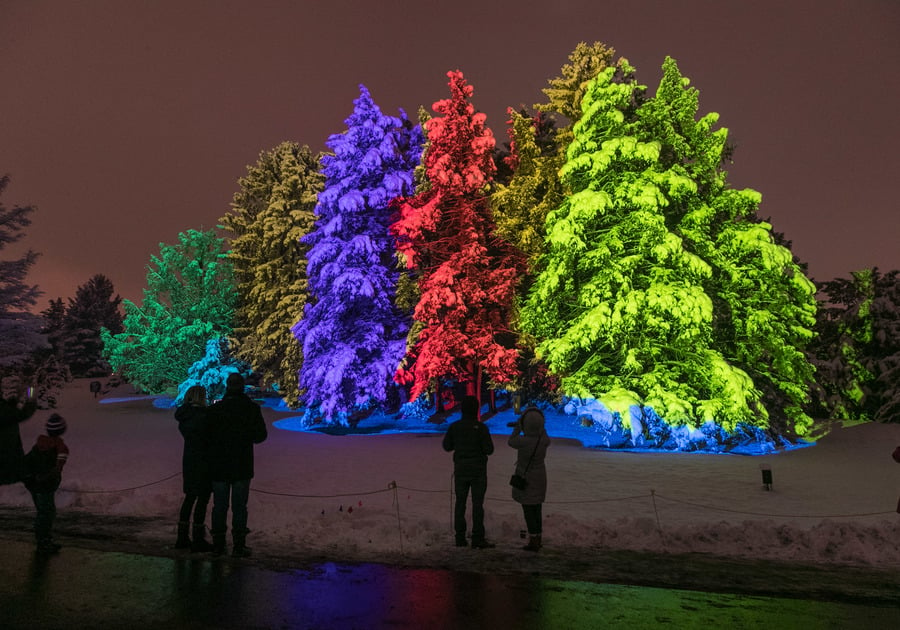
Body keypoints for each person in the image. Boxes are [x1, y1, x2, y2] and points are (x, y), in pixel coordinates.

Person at [206, 373, 267, 557]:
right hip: (242, 465)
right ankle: (239, 544)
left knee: (220, 506)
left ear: (227, 386)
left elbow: (206, 435)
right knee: (239, 506)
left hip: (219, 465)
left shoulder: (216, 410)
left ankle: (218, 543)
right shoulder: (251, 409)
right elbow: (260, 436)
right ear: (242, 386)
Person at [442, 394, 495, 549]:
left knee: (460, 503)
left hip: (461, 470)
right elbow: (489, 449)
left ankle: (460, 537)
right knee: (478, 504)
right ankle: (477, 537)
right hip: (478, 471)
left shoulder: (455, 427)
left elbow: (447, 446)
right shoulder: (481, 428)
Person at [22, 413, 69, 554]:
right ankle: (44, 542)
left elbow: (27, 462)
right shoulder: (61, 448)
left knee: (42, 512)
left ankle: (43, 540)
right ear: (62, 430)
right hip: (45, 486)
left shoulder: (39, 444)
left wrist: (31, 477)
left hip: (33, 485)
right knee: (47, 513)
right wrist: (46, 478)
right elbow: (57, 468)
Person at [174, 385, 213, 552]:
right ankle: (198, 538)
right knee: (202, 498)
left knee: (190, 497)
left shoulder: (185, 417)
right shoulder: (204, 416)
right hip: (204, 461)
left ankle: (182, 537)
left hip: (189, 460)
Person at [508, 407, 551, 552]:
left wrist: (518, 427)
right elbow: (543, 432)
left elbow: (511, 441)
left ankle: (533, 539)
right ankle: (538, 537)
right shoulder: (543, 441)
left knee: (528, 510)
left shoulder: (523, 441)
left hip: (526, 479)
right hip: (540, 478)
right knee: (537, 509)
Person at [1, 378, 38, 485]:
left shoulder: (5, 408)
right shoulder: (5, 411)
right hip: (7, 455)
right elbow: (23, 413)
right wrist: (31, 395)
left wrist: (13, 402)